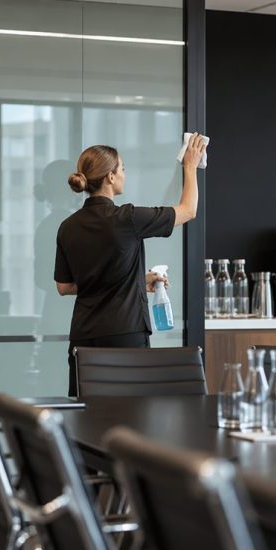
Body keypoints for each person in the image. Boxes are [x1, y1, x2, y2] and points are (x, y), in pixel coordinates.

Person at [54, 134, 207, 395]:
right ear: (110, 177)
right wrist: (190, 166)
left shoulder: (68, 227)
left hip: (83, 337)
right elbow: (188, 210)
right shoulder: (127, 218)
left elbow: (65, 286)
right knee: (131, 415)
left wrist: (135, 279)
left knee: (87, 416)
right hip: (124, 333)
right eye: (122, 169)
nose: (125, 174)